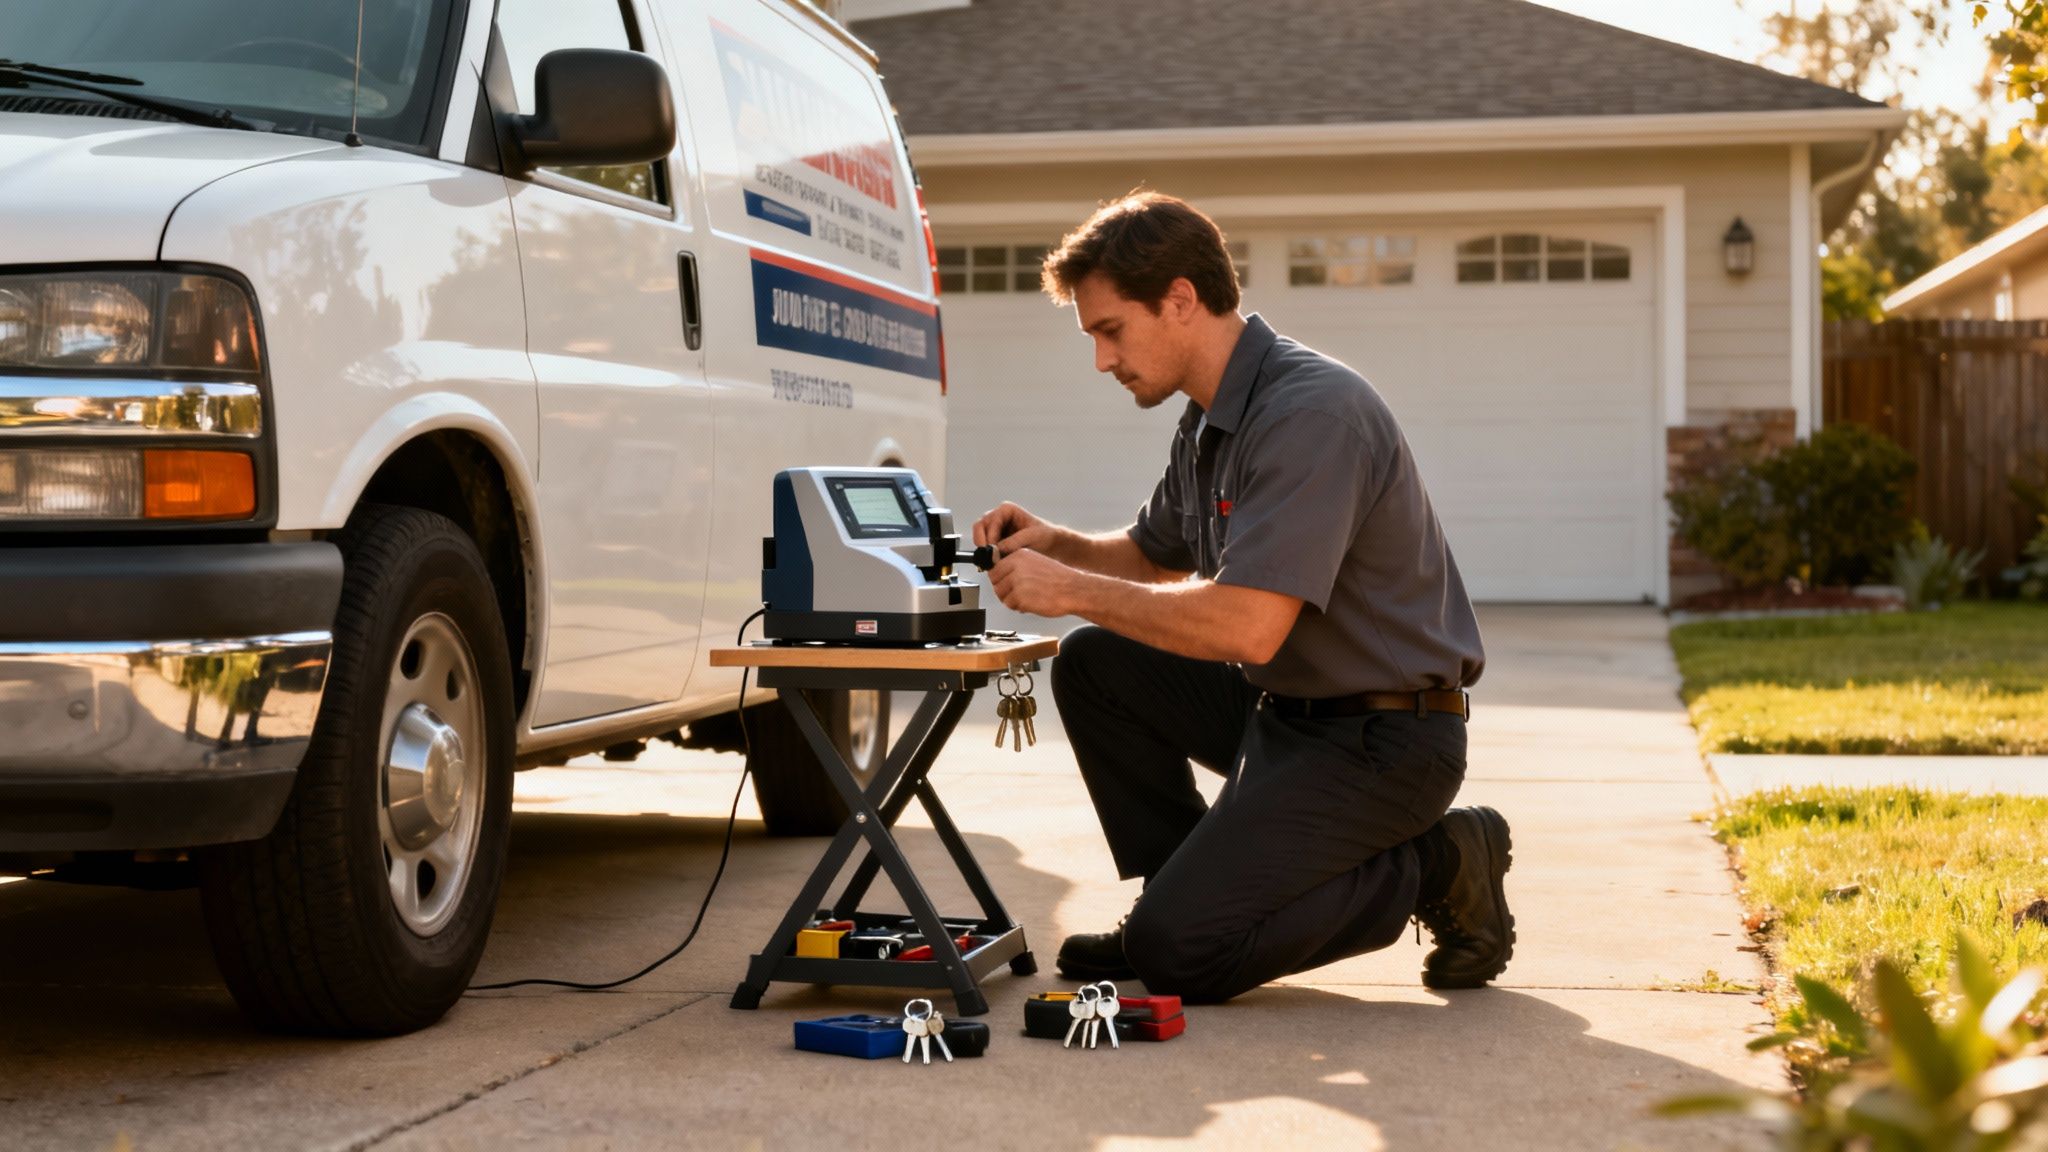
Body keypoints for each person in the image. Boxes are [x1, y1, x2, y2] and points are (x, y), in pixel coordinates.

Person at [973, 191, 1513, 1002]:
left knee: (1181, 957)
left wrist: (1072, 588)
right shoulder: (1207, 419)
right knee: (1096, 664)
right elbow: (1151, 559)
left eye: (1110, 330)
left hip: (1384, 743)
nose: (1101, 359)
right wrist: (1058, 545)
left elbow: (1249, 626)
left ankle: (1442, 859)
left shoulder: (1310, 414)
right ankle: (1181, 888)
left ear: (1180, 300)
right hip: (1283, 721)